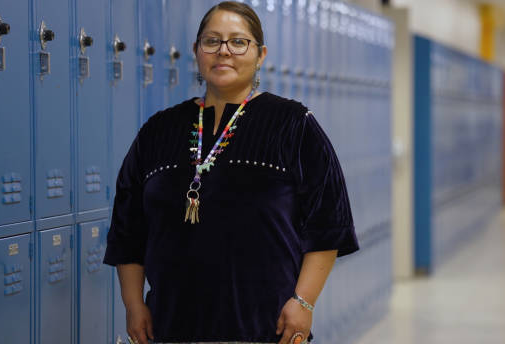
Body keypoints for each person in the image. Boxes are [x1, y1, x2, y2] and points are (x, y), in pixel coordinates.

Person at [103, 2, 358, 344]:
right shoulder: (158, 131)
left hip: (263, 329)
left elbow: (328, 223)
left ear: (260, 54)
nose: (224, 51)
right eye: (212, 41)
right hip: (172, 327)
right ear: (196, 51)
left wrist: (303, 302)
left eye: (238, 42)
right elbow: (128, 229)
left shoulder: (294, 125)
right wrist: (133, 304)